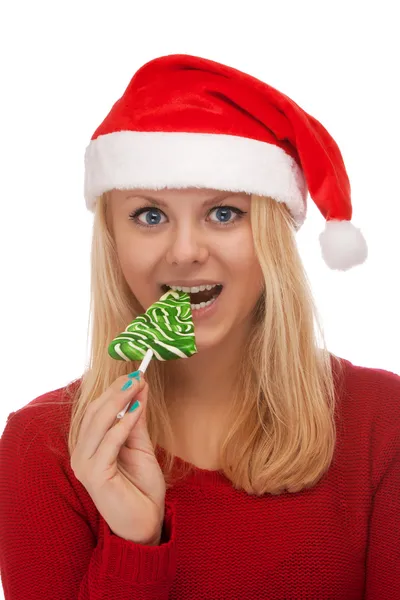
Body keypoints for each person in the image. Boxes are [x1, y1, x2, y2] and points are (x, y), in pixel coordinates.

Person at [0, 53, 399, 600]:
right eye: (150, 215)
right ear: (113, 238)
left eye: (224, 213)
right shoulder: (38, 447)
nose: (186, 252)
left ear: (273, 236)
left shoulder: (383, 422)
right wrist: (134, 542)